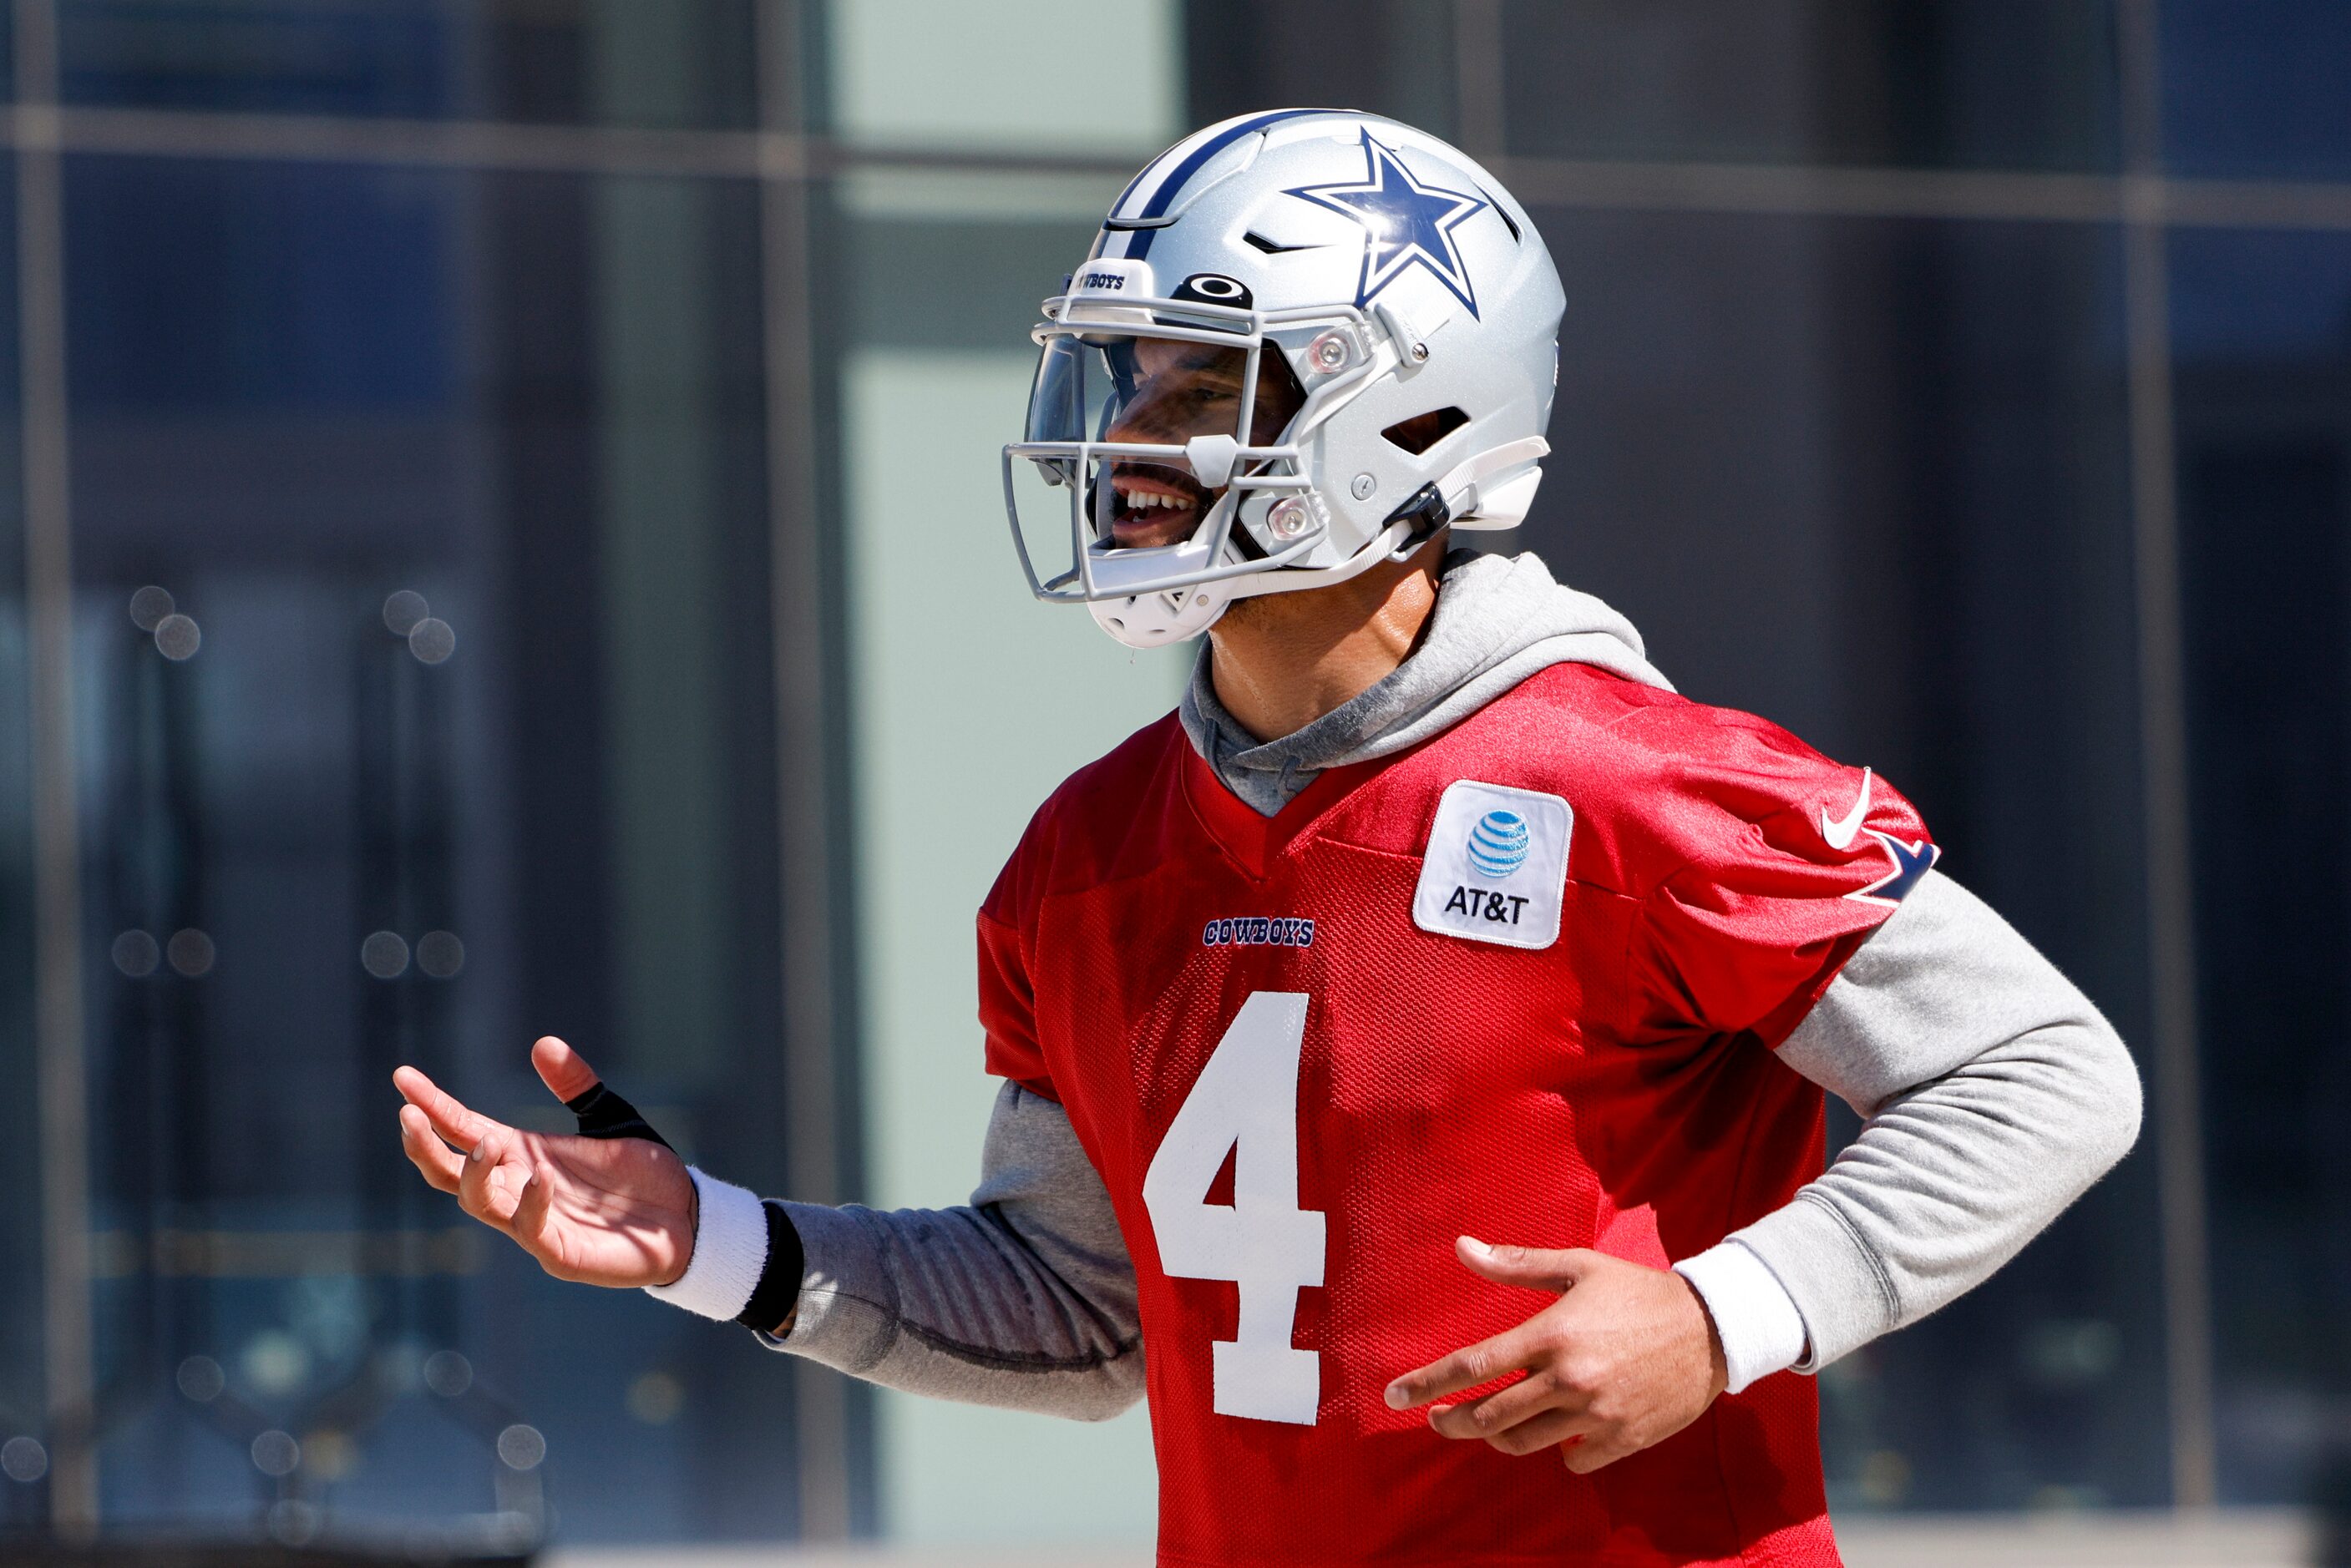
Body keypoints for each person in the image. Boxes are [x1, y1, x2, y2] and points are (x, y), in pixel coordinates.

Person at [394, 110, 2141, 1566]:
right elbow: (1085, 1317)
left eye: (1194, 389)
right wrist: (708, 1238)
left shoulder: (1640, 786)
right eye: (1125, 384)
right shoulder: (1084, 860)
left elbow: (2045, 1073)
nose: (1124, 450)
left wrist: (1724, 1315)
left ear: (1414, 414)